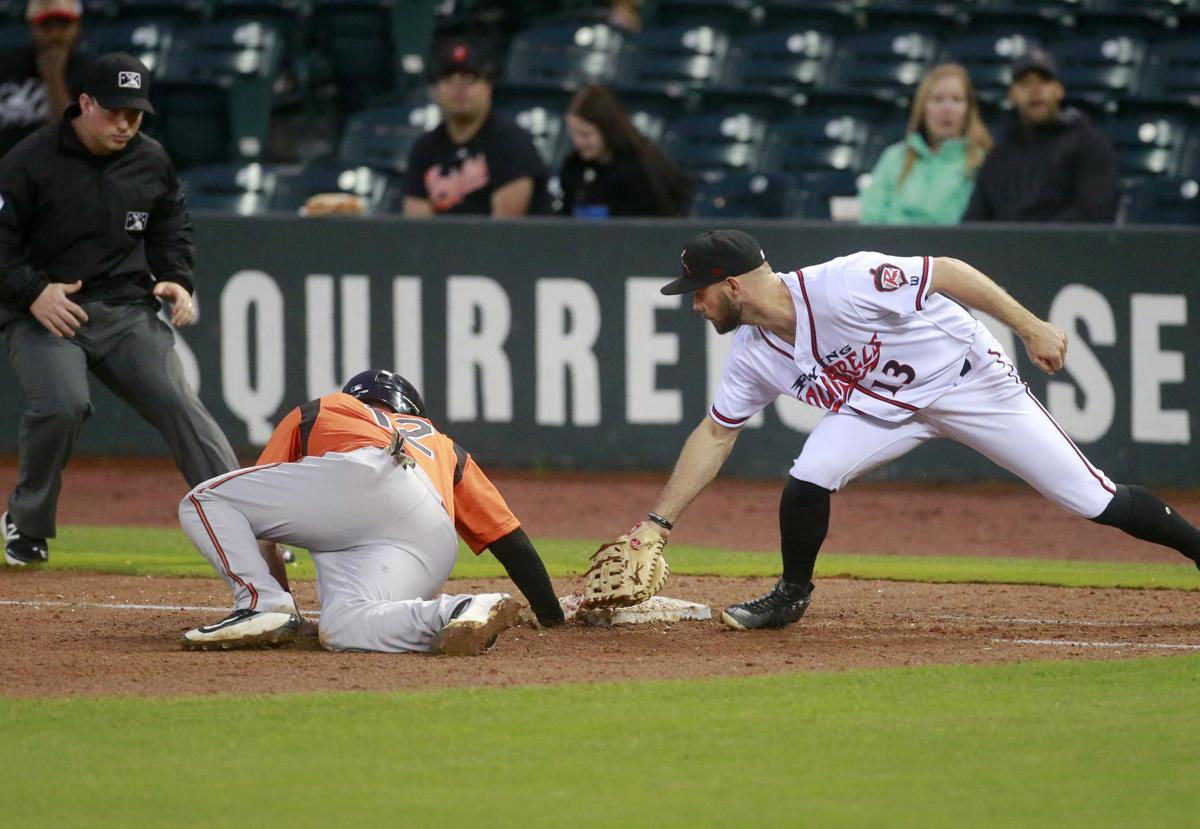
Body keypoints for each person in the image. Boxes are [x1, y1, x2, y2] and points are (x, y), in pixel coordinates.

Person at [613, 229, 1200, 631]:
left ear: (733, 286)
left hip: (969, 383)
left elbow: (947, 272)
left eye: (700, 292)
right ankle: (792, 596)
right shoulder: (752, 351)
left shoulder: (843, 281)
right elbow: (716, 435)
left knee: (1093, 499)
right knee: (808, 476)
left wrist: (1029, 326)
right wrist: (657, 523)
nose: (695, 305)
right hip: (883, 408)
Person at [0, 52, 239, 566]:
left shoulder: (151, 160)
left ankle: (246, 523)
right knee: (63, 404)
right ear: (83, 103)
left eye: (134, 113)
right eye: (114, 111)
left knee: (180, 404)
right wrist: (34, 292)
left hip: (125, 312)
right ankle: (27, 521)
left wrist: (175, 276)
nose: (126, 123)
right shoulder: (28, 160)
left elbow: (170, 225)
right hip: (46, 314)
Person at [178, 370, 566, 654]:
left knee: (205, 500)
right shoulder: (443, 444)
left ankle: (258, 605)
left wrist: (280, 603)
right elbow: (510, 541)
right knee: (343, 627)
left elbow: (263, 533)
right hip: (431, 538)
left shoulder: (326, 408)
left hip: (363, 474)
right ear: (414, 412)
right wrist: (551, 615)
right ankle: (461, 608)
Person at [963, 48, 1118, 223]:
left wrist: (1033, 242)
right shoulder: (998, 157)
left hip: (1064, 249)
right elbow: (974, 223)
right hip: (1005, 249)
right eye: (1025, 83)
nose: (1035, 90)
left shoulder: (1089, 145)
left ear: (1059, 90)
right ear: (1011, 94)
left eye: (1044, 81)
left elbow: (1095, 213)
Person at [403, 39, 546, 217]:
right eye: (449, 79)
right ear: (435, 90)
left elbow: (507, 228)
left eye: (469, 79)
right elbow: (416, 226)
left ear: (488, 88)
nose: (459, 89)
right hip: (438, 244)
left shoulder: (511, 141)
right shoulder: (424, 148)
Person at [860, 63, 992, 225]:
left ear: (968, 109)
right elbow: (870, 218)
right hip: (891, 247)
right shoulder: (894, 157)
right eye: (937, 99)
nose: (947, 108)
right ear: (922, 107)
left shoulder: (983, 162)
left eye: (957, 100)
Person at [558, 84, 692, 219]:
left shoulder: (639, 170)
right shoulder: (573, 167)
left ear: (608, 130)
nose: (578, 141)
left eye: (586, 135)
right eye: (573, 133)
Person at [0, 0, 92, 157]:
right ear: (32, 27)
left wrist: (54, 77)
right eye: (46, 25)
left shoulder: (91, 72)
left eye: (63, 24)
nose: (55, 34)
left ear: (77, 26)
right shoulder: (6, 66)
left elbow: (73, 140)